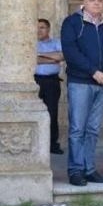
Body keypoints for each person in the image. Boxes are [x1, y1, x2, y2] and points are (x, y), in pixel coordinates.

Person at [61, 0, 103, 186]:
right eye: (92, 0)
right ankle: (76, 170)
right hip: (80, 82)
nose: (96, 3)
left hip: (102, 84)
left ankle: (89, 169)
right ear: (84, 1)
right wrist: (94, 71)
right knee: (78, 128)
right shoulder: (72, 22)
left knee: (93, 129)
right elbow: (71, 51)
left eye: (99, 0)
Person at [35, 18, 65, 155]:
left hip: (51, 82)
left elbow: (61, 57)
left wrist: (39, 55)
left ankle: (53, 144)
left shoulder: (56, 42)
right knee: (34, 112)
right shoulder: (31, 43)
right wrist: (51, 58)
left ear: (48, 29)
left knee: (52, 113)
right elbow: (30, 59)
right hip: (34, 81)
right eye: (37, 27)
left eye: (42, 27)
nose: (39, 30)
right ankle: (35, 143)